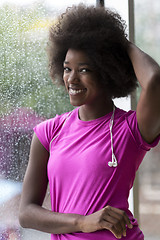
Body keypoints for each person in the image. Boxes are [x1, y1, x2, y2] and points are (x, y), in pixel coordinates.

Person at [19, 4, 160, 240]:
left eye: (84, 69)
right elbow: (26, 213)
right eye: (67, 69)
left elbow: (154, 80)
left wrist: (116, 42)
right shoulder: (49, 132)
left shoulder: (130, 129)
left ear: (107, 71)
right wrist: (83, 222)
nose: (72, 79)